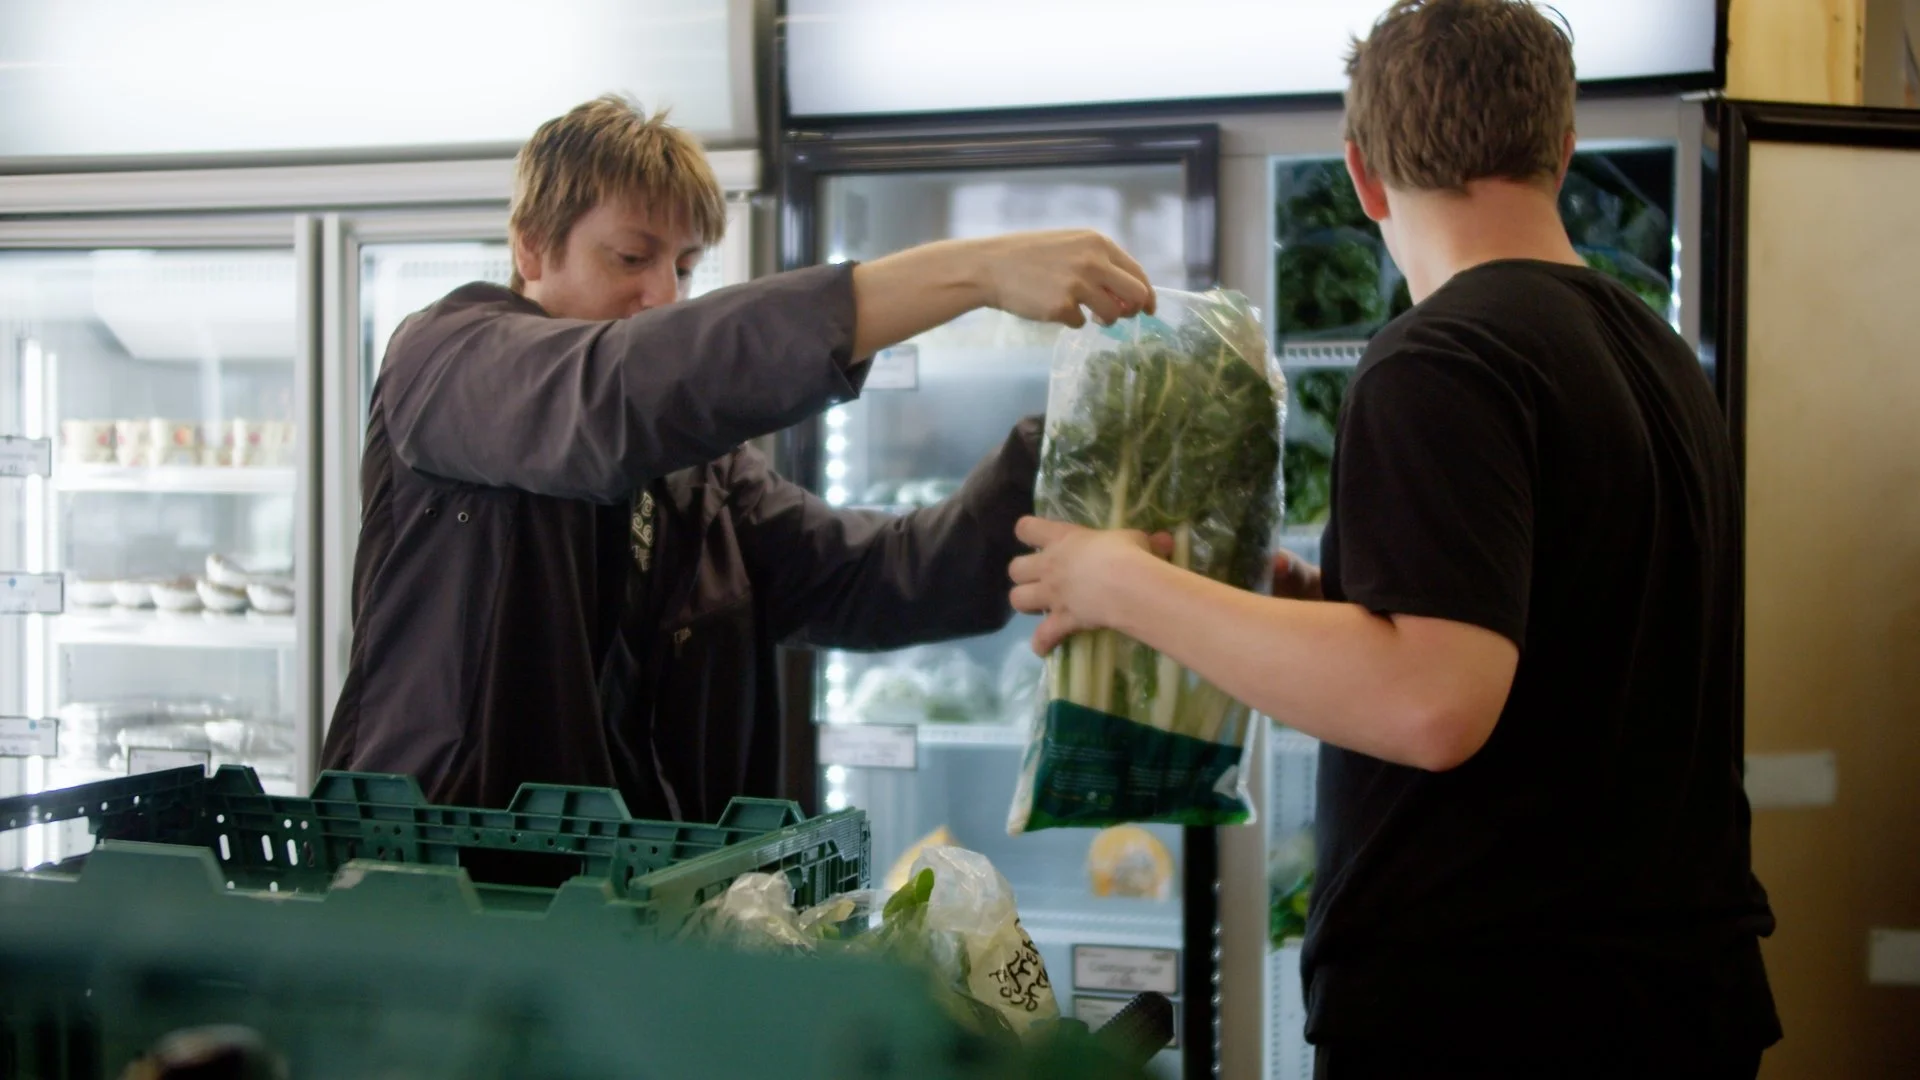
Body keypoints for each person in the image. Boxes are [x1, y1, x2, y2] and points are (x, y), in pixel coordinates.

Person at [1006, 2, 1779, 1076]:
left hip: (1495, 1011)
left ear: (1362, 175)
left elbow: (1432, 703)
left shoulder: (1442, 356)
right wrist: (1319, 607)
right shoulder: (1648, 348)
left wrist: (1119, 584)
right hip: (1666, 994)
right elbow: (1554, 643)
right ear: (1562, 150)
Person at [321, 95, 1156, 842]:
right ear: (532, 248)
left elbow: (885, 575)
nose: (664, 295)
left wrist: (1064, 446)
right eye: (631, 258)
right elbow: (615, 394)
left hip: (622, 916)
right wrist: (971, 272)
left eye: (684, 267)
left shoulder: (703, 480)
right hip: (434, 890)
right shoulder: (448, 360)